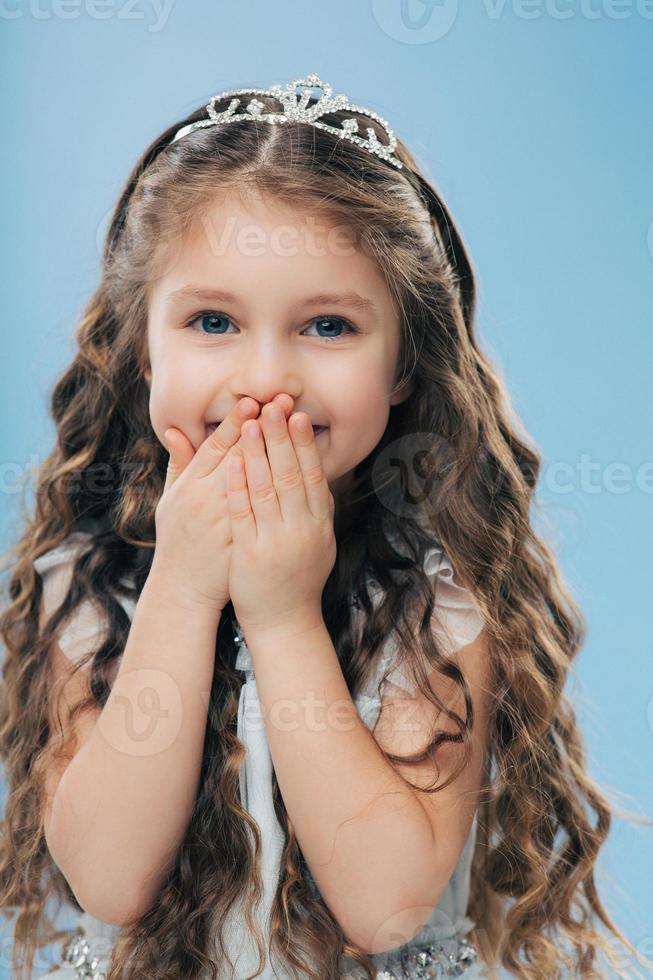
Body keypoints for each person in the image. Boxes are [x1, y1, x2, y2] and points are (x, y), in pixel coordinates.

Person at [0, 72, 649, 980]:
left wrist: (280, 615)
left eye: (329, 326)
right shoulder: (87, 584)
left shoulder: (431, 605)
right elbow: (108, 879)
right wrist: (184, 588)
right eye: (213, 320)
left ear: (403, 366)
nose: (266, 378)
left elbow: (384, 906)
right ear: (143, 349)